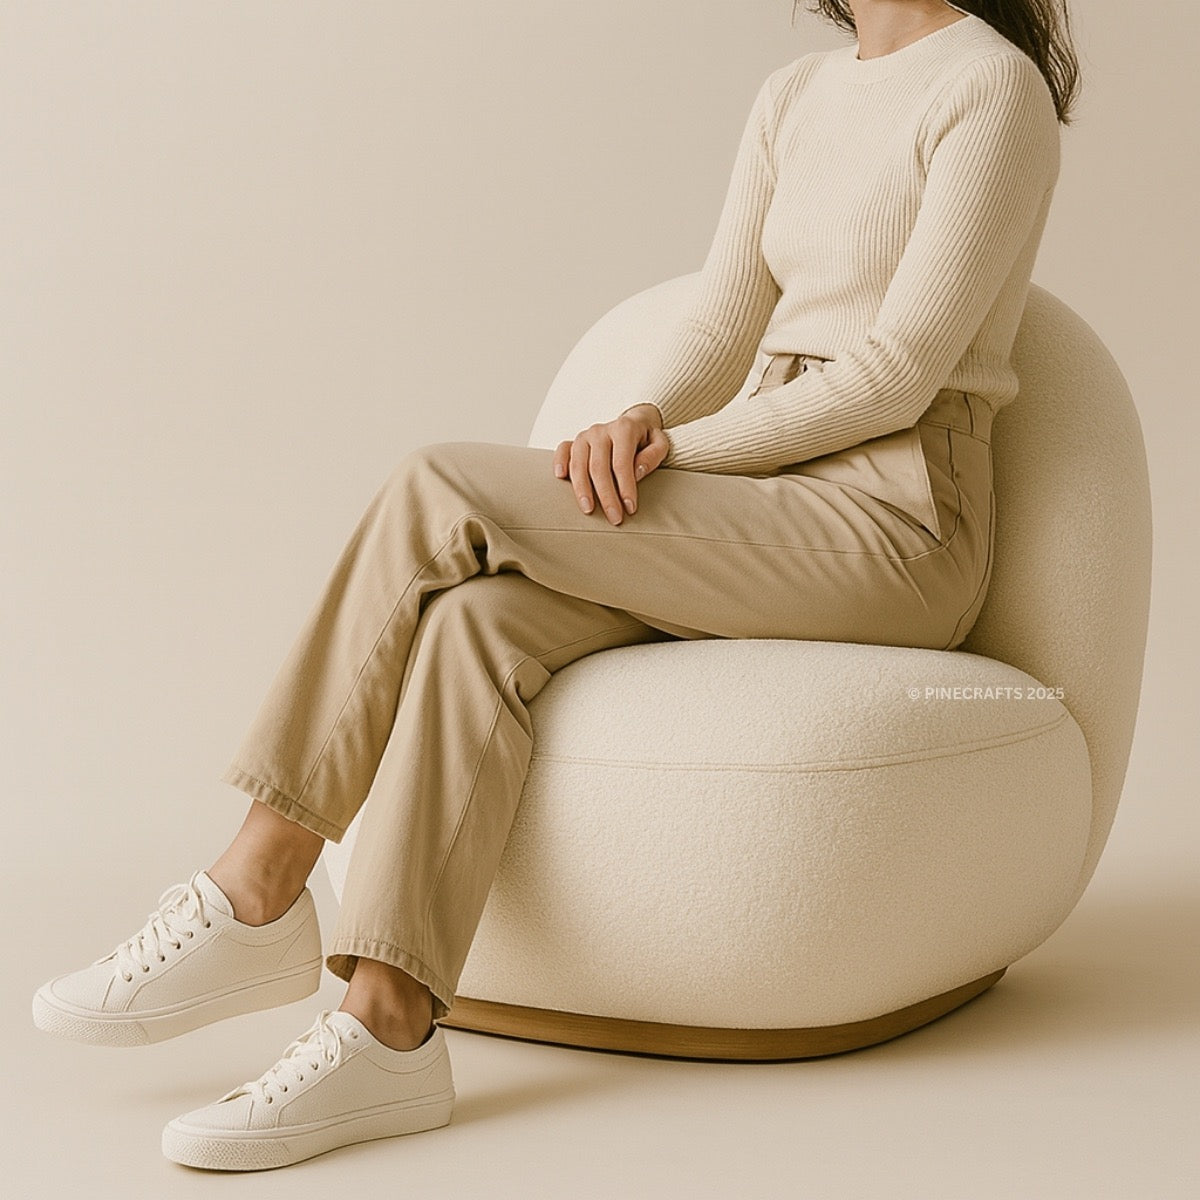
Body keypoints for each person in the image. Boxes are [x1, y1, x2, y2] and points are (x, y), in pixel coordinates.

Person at [31, 0, 1079, 1173]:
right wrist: (640, 416)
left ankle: (260, 882)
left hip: (892, 523)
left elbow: (894, 378)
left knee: (443, 484)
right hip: (759, 498)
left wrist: (676, 455)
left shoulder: (991, 89)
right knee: (477, 620)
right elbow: (725, 320)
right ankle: (388, 1026)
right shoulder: (797, 93)